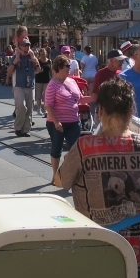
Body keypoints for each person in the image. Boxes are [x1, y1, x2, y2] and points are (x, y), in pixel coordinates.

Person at [57, 76, 140, 278]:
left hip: (101, 239)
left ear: (100, 112)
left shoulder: (84, 145)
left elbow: (61, 181)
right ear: (130, 113)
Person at [45, 55, 84, 183]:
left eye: (70, 65)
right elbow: (48, 106)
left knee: (75, 150)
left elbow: (81, 99)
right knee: (57, 149)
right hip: (57, 123)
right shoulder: (52, 85)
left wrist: (96, 97)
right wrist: (56, 122)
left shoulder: (72, 81)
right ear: (59, 68)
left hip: (74, 121)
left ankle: (72, 174)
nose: (70, 68)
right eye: (67, 66)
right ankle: (55, 174)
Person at [7, 38, 37, 136]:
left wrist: (34, 60)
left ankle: (26, 129)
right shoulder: (16, 56)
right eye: (24, 45)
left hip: (30, 85)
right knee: (22, 106)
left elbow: (39, 70)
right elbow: (9, 71)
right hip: (19, 85)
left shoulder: (32, 56)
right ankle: (18, 128)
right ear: (20, 47)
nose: (26, 47)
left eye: (28, 45)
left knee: (29, 108)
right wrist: (15, 62)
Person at [34, 48, 51, 116]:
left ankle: (46, 110)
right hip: (39, 80)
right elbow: (35, 71)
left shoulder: (49, 61)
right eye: (41, 54)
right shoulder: (37, 61)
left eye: (43, 54)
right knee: (39, 95)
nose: (42, 56)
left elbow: (51, 70)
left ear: (46, 53)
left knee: (46, 95)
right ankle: (39, 109)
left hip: (47, 80)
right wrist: (38, 71)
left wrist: (52, 79)